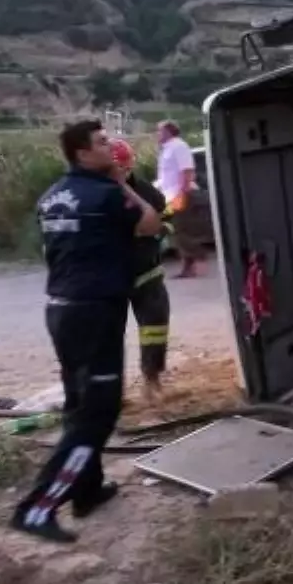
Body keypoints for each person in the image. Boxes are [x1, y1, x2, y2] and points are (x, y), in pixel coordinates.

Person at [10, 120, 162, 543]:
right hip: (96, 313)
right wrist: (122, 182)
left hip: (61, 309)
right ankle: (37, 508)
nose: (110, 150)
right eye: (101, 144)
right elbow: (151, 222)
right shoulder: (106, 195)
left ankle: (87, 490)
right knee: (98, 412)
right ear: (81, 153)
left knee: (79, 403)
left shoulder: (51, 197)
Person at [109, 138, 173, 403]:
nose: (118, 174)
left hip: (147, 272)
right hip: (110, 278)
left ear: (129, 166)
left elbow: (167, 221)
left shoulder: (148, 193)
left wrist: (156, 234)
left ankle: (152, 378)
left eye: (123, 168)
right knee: (107, 336)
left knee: (155, 328)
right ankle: (112, 390)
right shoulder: (94, 194)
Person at [156, 120, 204, 278]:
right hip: (169, 196)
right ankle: (189, 262)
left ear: (169, 132)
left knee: (181, 228)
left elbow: (187, 171)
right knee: (175, 229)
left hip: (178, 195)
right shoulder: (167, 149)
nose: (157, 134)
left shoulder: (179, 146)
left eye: (159, 131)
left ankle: (192, 264)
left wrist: (182, 193)